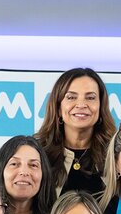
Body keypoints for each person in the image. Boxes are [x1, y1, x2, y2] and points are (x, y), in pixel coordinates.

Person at [35, 67, 116, 195]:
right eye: (71, 97)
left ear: (101, 106)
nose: (81, 104)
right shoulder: (38, 154)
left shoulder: (116, 155)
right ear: (58, 108)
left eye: (90, 98)